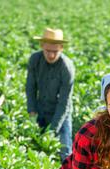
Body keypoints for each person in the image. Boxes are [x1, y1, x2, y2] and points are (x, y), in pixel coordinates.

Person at [26, 28, 75, 162]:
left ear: (61, 48)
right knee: (36, 149)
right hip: (41, 108)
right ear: (42, 46)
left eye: (55, 51)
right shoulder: (35, 59)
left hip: (61, 112)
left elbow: (64, 102)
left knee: (65, 152)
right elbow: (30, 87)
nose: (51, 55)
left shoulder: (67, 68)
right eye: (48, 51)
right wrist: (32, 110)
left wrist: (53, 130)